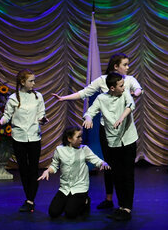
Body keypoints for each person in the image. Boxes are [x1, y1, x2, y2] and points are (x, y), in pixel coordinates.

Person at [53, 52, 142, 210]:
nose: (128, 68)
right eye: (125, 65)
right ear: (116, 67)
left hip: (126, 133)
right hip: (108, 130)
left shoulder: (127, 84)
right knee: (111, 166)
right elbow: (85, 94)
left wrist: (135, 94)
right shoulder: (103, 84)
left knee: (126, 171)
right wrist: (64, 99)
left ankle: (126, 206)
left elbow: (136, 93)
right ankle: (110, 199)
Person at [83, 72, 137, 221]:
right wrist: (88, 119)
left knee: (127, 174)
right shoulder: (102, 98)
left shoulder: (125, 93)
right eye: (120, 85)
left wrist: (121, 118)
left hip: (128, 140)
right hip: (113, 142)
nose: (124, 87)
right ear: (112, 88)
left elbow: (130, 105)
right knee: (117, 174)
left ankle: (127, 208)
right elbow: (90, 112)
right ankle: (121, 206)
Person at [0, 70, 47, 213]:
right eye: (31, 81)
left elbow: (41, 114)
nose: (34, 83)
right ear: (22, 82)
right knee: (24, 170)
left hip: (34, 137)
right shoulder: (13, 98)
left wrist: (42, 120)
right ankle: (29, 198)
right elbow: (7, 115)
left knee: (33, 169)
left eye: (34, 81)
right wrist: (1, 122)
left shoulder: (38, 96)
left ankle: (30, 200)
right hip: (19, 137)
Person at [38, 127, 110, 219]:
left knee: (70, 214)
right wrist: (47, 171)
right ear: (69, 139)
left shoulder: (84, 149)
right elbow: (54, 166)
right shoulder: (59, 150)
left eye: (81, 136)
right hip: (65, 188)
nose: (81, 139)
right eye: (78, 137)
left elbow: (96, 160)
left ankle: (85, 201)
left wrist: (103, 163)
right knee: (53, 212)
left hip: (80, 187)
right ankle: (70, 201)